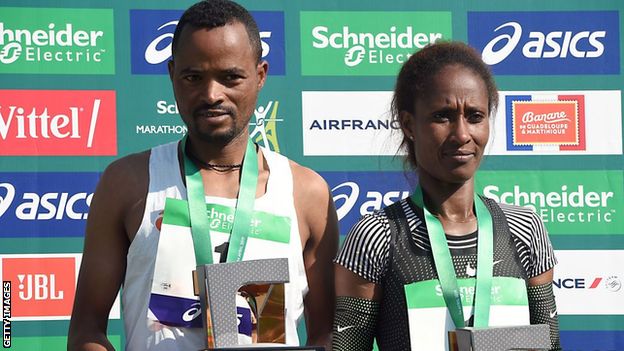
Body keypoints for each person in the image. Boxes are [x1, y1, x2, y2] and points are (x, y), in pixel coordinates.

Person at [67, 1, 338, 350]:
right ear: (171, 75)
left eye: (230, 77)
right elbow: (87, 329)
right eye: (194, 77)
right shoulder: (127, 182)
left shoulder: (307, 192)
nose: (212, 95)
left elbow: (326, 335)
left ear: (260, 76)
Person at [332, 41, 561, 351]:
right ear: (410, 124)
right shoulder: (377, 237)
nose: (462, 134)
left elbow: (550, 345)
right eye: (443, 116)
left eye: (475, 116)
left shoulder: (525, 228)